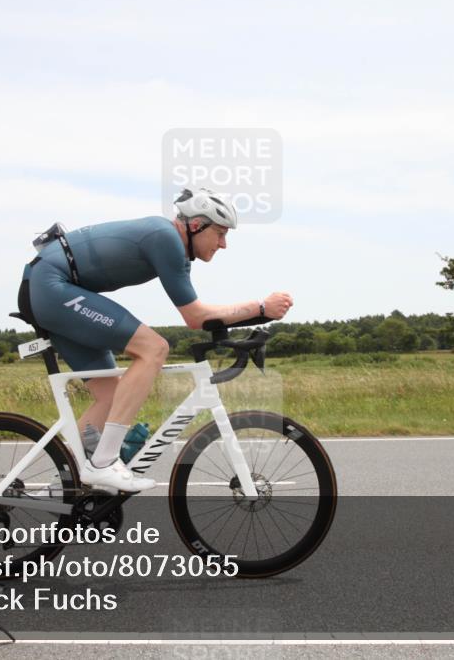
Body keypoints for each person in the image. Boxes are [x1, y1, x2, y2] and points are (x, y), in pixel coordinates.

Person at [18, 188, 293, 492]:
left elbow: (201, 317)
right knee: (154, 348)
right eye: (220, 233)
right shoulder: (166, 238)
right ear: (196, 225)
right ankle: (103, 462)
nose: (223, 244)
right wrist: (261, 307)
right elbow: (195, 317)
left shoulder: (178, 252)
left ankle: (64, 488)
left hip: (49, 286)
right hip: (50, 285)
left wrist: (256, 316)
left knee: (111, 395)